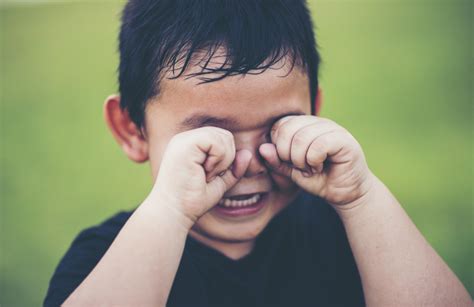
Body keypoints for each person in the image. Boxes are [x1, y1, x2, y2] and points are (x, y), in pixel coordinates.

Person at [44, 0, 472, 306]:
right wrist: (170, 210)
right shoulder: (105, 259)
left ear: (314, 112)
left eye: (277, 128)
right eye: (210, 137)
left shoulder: (351, 235)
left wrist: (362, 197)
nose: (247, 164)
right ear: (132, 130)